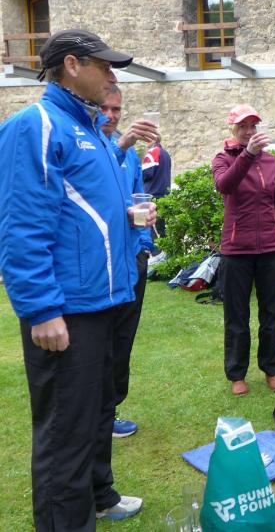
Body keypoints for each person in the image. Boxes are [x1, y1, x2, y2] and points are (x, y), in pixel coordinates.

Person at [0, 29, 156, 527]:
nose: (112, 76)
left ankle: (101, 494)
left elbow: (86, 213)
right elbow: (22, 225)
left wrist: (129, 223)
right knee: (65, 432)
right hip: (67, 310)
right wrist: (41, 309)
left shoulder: (91, 131)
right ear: (72, 65)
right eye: (104, 66)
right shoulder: (37, 125)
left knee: (98, 412)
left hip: (106, 299)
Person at [212, 104, 275, 396]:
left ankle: (272, 369)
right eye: (243, 126)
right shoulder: (223, 158)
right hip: (236, 250)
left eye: (253, 126)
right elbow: (225, 186)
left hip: (269, 249)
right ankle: (237, 374)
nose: (249, 131)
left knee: (272, 314)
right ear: (233, 129)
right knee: (236, 317)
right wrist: (248, 155)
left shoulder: (270, 161)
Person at [99, 84, 158, 438]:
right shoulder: (92, 147)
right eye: (104, 108)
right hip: (102, 260)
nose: (111, 116)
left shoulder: (131, 154)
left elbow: (139, 196)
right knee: (99, 340)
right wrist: (122, 144)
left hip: (133, 255)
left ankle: (111, 410)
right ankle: (96, 413)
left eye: (116, 109)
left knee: (123, 338)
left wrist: (144, 245)